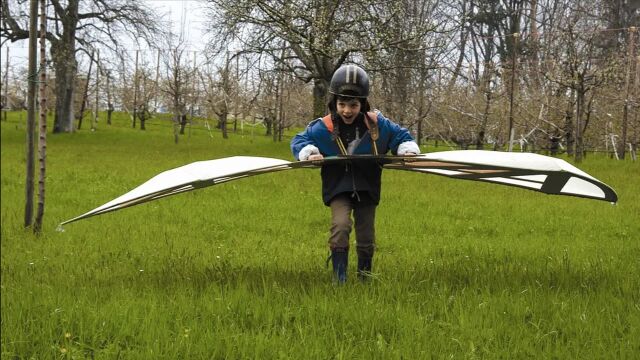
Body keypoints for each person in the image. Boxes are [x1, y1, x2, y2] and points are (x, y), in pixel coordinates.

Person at [290, 64, 420, 283]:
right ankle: (339, 278)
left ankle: (364, 276)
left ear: (363, 104)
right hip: (338, 188)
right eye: (342, 104)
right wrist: (309, 153)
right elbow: (299, 140)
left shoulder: (377, 125)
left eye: (353, 105)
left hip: (367, 188)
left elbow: (401, 136)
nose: (347, 110)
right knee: (340, 226)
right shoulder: (324, 127)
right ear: (334, 104)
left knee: (366, 234)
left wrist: (406, 150)